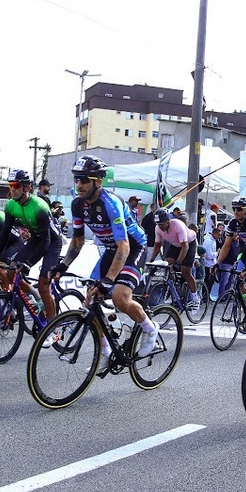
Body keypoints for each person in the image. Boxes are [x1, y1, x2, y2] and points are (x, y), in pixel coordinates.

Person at [51, 155, 157, 361]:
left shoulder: (111, 204)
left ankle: (149, 328)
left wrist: (108, 280)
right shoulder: (77, 205)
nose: (79, 184)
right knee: (90, 299)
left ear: (98, 181)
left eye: (84, 180)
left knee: (119, 296)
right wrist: (62, 266)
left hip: (133, 248)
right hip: (111, 249)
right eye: (76, 179)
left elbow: (124, 246)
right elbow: (77, 241)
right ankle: (106, 352)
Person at [0, 169, 63, 343]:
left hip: (51, 243)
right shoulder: (10, 205)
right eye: (10, 186)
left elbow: (46, 242)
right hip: (35, 241)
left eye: (16, 186)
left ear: (27, 188)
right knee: (10, 272)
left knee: (44, 284)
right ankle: (34, 299)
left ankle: (55, 328)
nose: (12, 189)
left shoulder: (39, 207)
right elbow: (4, 235)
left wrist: (29, 263)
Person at [150, 207, 201, 309]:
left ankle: (195, 298)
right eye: (158, 224)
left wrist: (178, 262)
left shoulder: (178, 225)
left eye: (162, 224)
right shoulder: (158, 228)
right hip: (175, 245)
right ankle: (172, 292)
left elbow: (185, 247)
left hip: (189, 244)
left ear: (168, 221)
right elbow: (157, 246)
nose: (160, 227)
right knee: (167, 265)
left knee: (185, 271)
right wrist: (151, 260)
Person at [202, 226, 220, 297]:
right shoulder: (208, 241)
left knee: (211, 281)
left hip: (212, 263)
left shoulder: (213, 241)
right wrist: (217, 253)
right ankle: (204, 295)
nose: (219, 237)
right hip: (208, 264)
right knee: (207, 281)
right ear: (214, 234)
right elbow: (208, 255)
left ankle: (207, 295)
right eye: (218, 235)